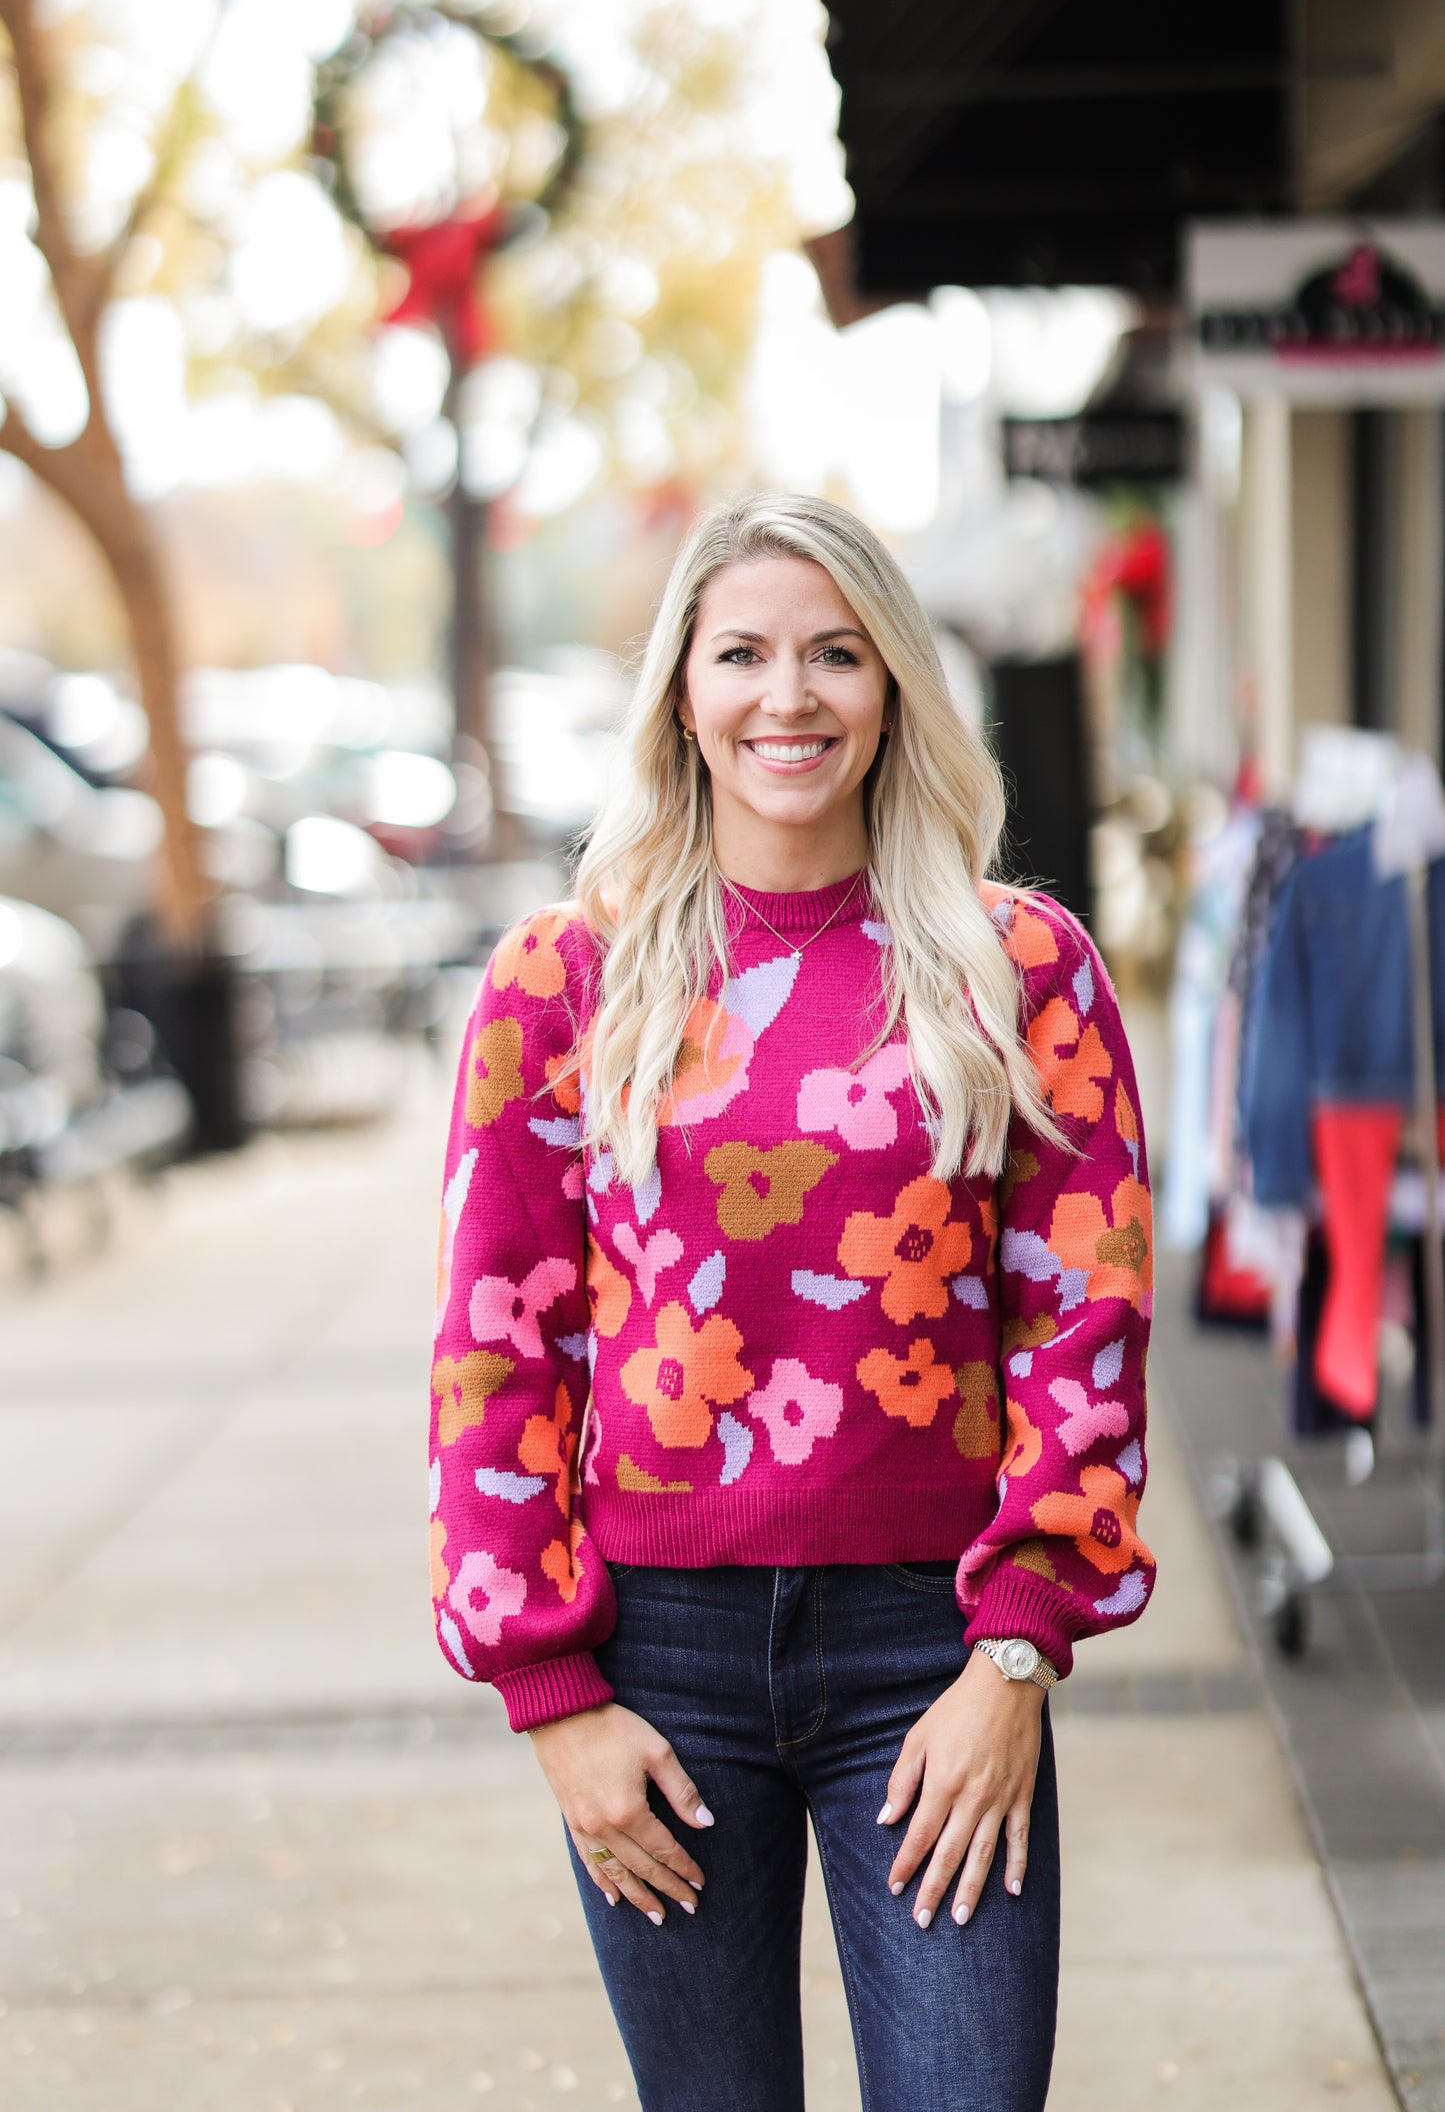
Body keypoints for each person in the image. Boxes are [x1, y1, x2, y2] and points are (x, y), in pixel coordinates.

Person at [429, 492, 1154, 2111]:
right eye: (743, 652)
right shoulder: (566, 980)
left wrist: (1018, 1654)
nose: (789, 696)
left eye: (835, 654)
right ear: (682, 687)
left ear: (893, 682)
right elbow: (497, 1349)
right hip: (654, 1666)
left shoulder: (1014, 964)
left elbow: (1082, 1320)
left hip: (933, 1648)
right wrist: (550, 1702)